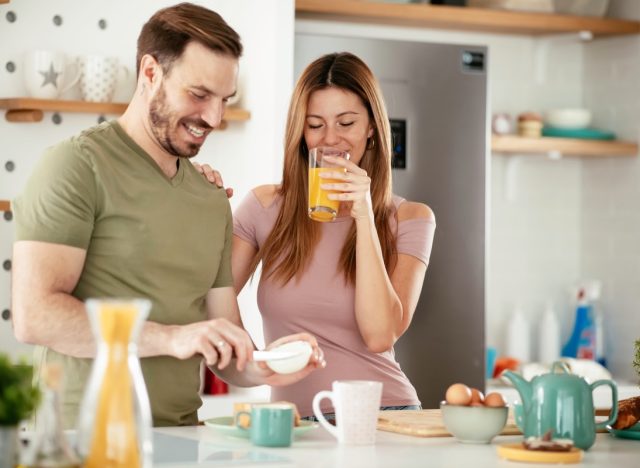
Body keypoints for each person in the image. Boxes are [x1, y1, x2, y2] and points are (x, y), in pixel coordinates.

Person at [11, 2, 323, 429]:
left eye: (223, 100)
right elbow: (35, 316)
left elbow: (224, 339)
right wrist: (173, 338)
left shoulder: (211, 197)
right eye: (198, 95)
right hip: (77, 440)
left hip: (181, 438)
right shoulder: (76, 166)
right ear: (150, 73)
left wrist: (269, 364)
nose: (213, 117)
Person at [230, 52, 436, 418]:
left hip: (384, 417)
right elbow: (209, 304)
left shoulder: (410, 218)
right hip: (291, 425)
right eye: (315, 124)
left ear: (371, 127)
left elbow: (379, 335)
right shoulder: (263, 208)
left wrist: (363, 216)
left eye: (346, 123)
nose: (330, 139)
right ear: (300, 131)